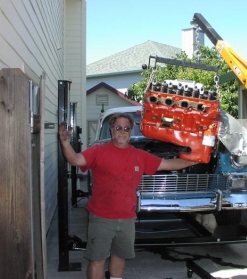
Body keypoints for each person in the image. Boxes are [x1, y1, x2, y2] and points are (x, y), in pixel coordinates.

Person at [58, 112, 197, 279]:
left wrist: (198, 158)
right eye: (118, 127)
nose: (122, 131)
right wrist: (65, 142)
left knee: (119, 256)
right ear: (111, 130)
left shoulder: (139, 155)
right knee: (97, 260)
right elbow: (75, 159)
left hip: (127, 219)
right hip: (101, 218)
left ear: (131, 131)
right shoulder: (98, 151)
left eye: (126, 128)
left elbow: (167, 164)